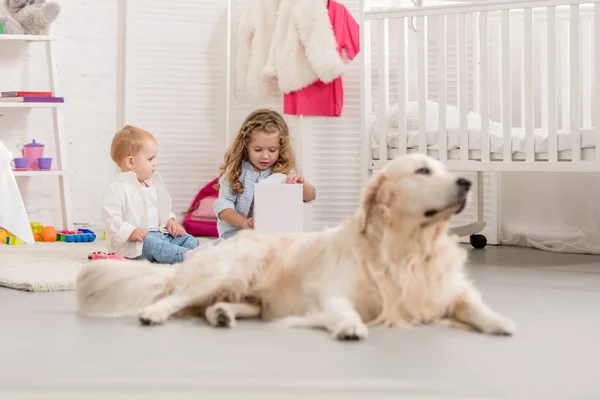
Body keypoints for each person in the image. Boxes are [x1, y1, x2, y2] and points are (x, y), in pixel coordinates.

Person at [95, 125, 209, 263]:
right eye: (150, 159)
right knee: (154, 245)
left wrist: (170, 222)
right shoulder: (117, 188)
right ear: (131, 162)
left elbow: (160, 209)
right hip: (138, 241)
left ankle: (189, 252)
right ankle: (187, 256)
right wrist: (131, 232)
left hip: (161, 234)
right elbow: (111, 218)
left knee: (188, 239)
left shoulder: (152, 184)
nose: (155, 163)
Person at [214, 109, 316, 239]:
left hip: (272, 234)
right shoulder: (235, 172)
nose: (265, 156)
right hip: (236, 234)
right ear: (246, 146)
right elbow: (222, 206)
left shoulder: (284, 172)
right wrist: (243, 222)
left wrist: (302, 185)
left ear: (281, 148)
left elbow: (310, 196)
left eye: (272, 150)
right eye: (258, 150)